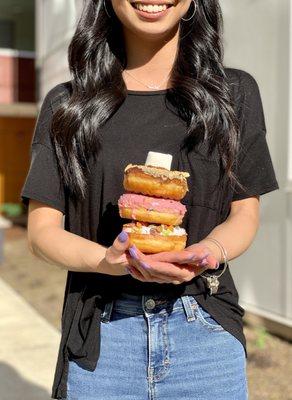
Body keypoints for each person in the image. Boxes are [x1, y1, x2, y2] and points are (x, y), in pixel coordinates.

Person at [20, 0, 279, 399]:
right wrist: (107, 262)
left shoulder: (233, 94)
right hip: (101, 338)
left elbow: (244, 213)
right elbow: (41, 233)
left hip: (204, 333)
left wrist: (209, 250)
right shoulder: (68, 106)